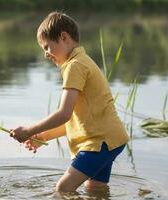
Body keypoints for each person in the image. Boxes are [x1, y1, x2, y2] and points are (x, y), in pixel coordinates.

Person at [10, 11, 129, 194]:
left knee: (64, 188)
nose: (46, 54)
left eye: (47, 47)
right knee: (96, 189)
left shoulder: (75, 66)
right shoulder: (81, 62)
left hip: (99, 143)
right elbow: (74, 120)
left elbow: (63, 113)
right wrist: (43, 136)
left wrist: (28, 131)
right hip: (110, 139)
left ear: (64, 37)